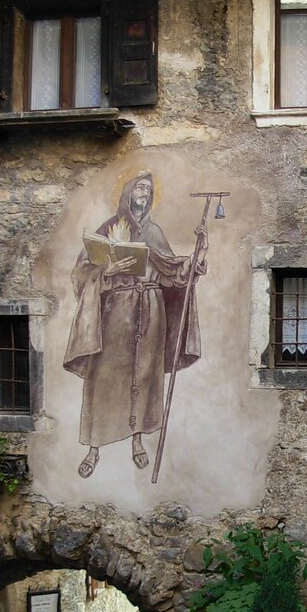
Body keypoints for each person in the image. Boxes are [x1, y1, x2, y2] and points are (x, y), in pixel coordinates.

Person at [63, 171, 206, 478]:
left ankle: (137, 441)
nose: (144, 192)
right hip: (117, 313)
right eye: (139, 186)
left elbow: (173, 272)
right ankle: (93, 447)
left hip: (151, 313)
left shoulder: (154, 232)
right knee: (103, 379)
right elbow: (81, 276)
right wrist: (108, 270)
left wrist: (197, 256)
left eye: (148, 188)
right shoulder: (109, 228)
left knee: (144, 376)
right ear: (127, 192)